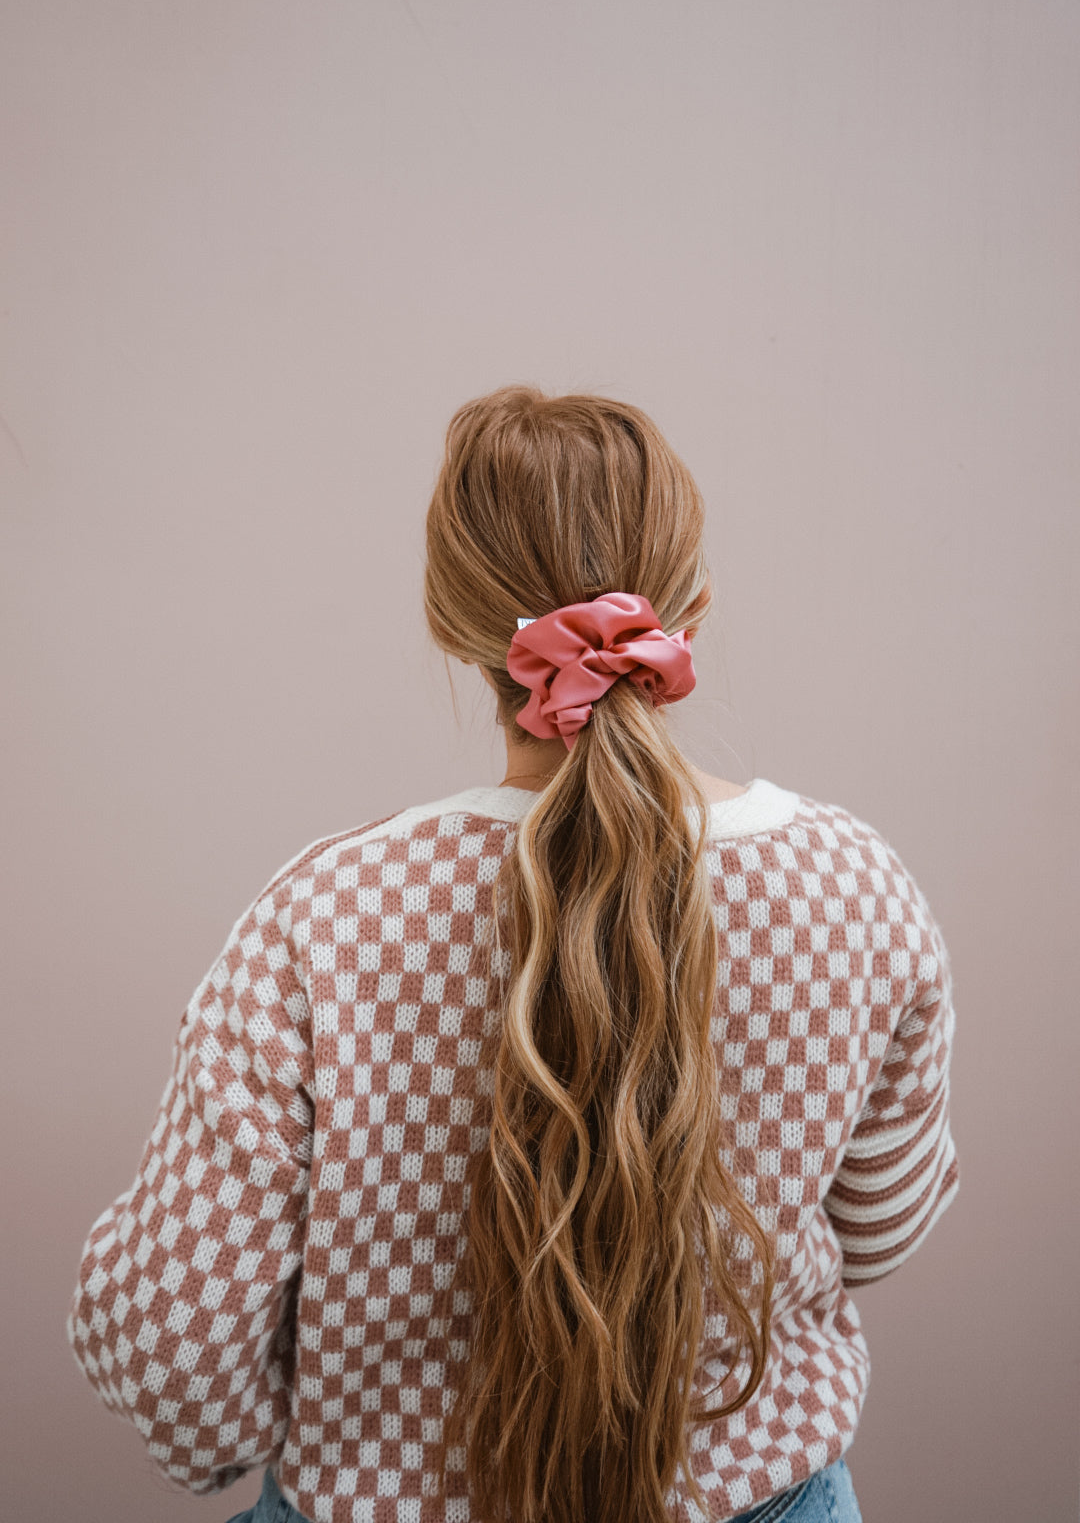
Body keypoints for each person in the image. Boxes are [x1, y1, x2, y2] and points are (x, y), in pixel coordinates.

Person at [67, 386, 959, 1523]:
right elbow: (879, 1225)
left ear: (453, 620)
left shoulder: (322, 919)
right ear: (692, 602)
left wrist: (270, 1445)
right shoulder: (858, 888)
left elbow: (172, 1349)